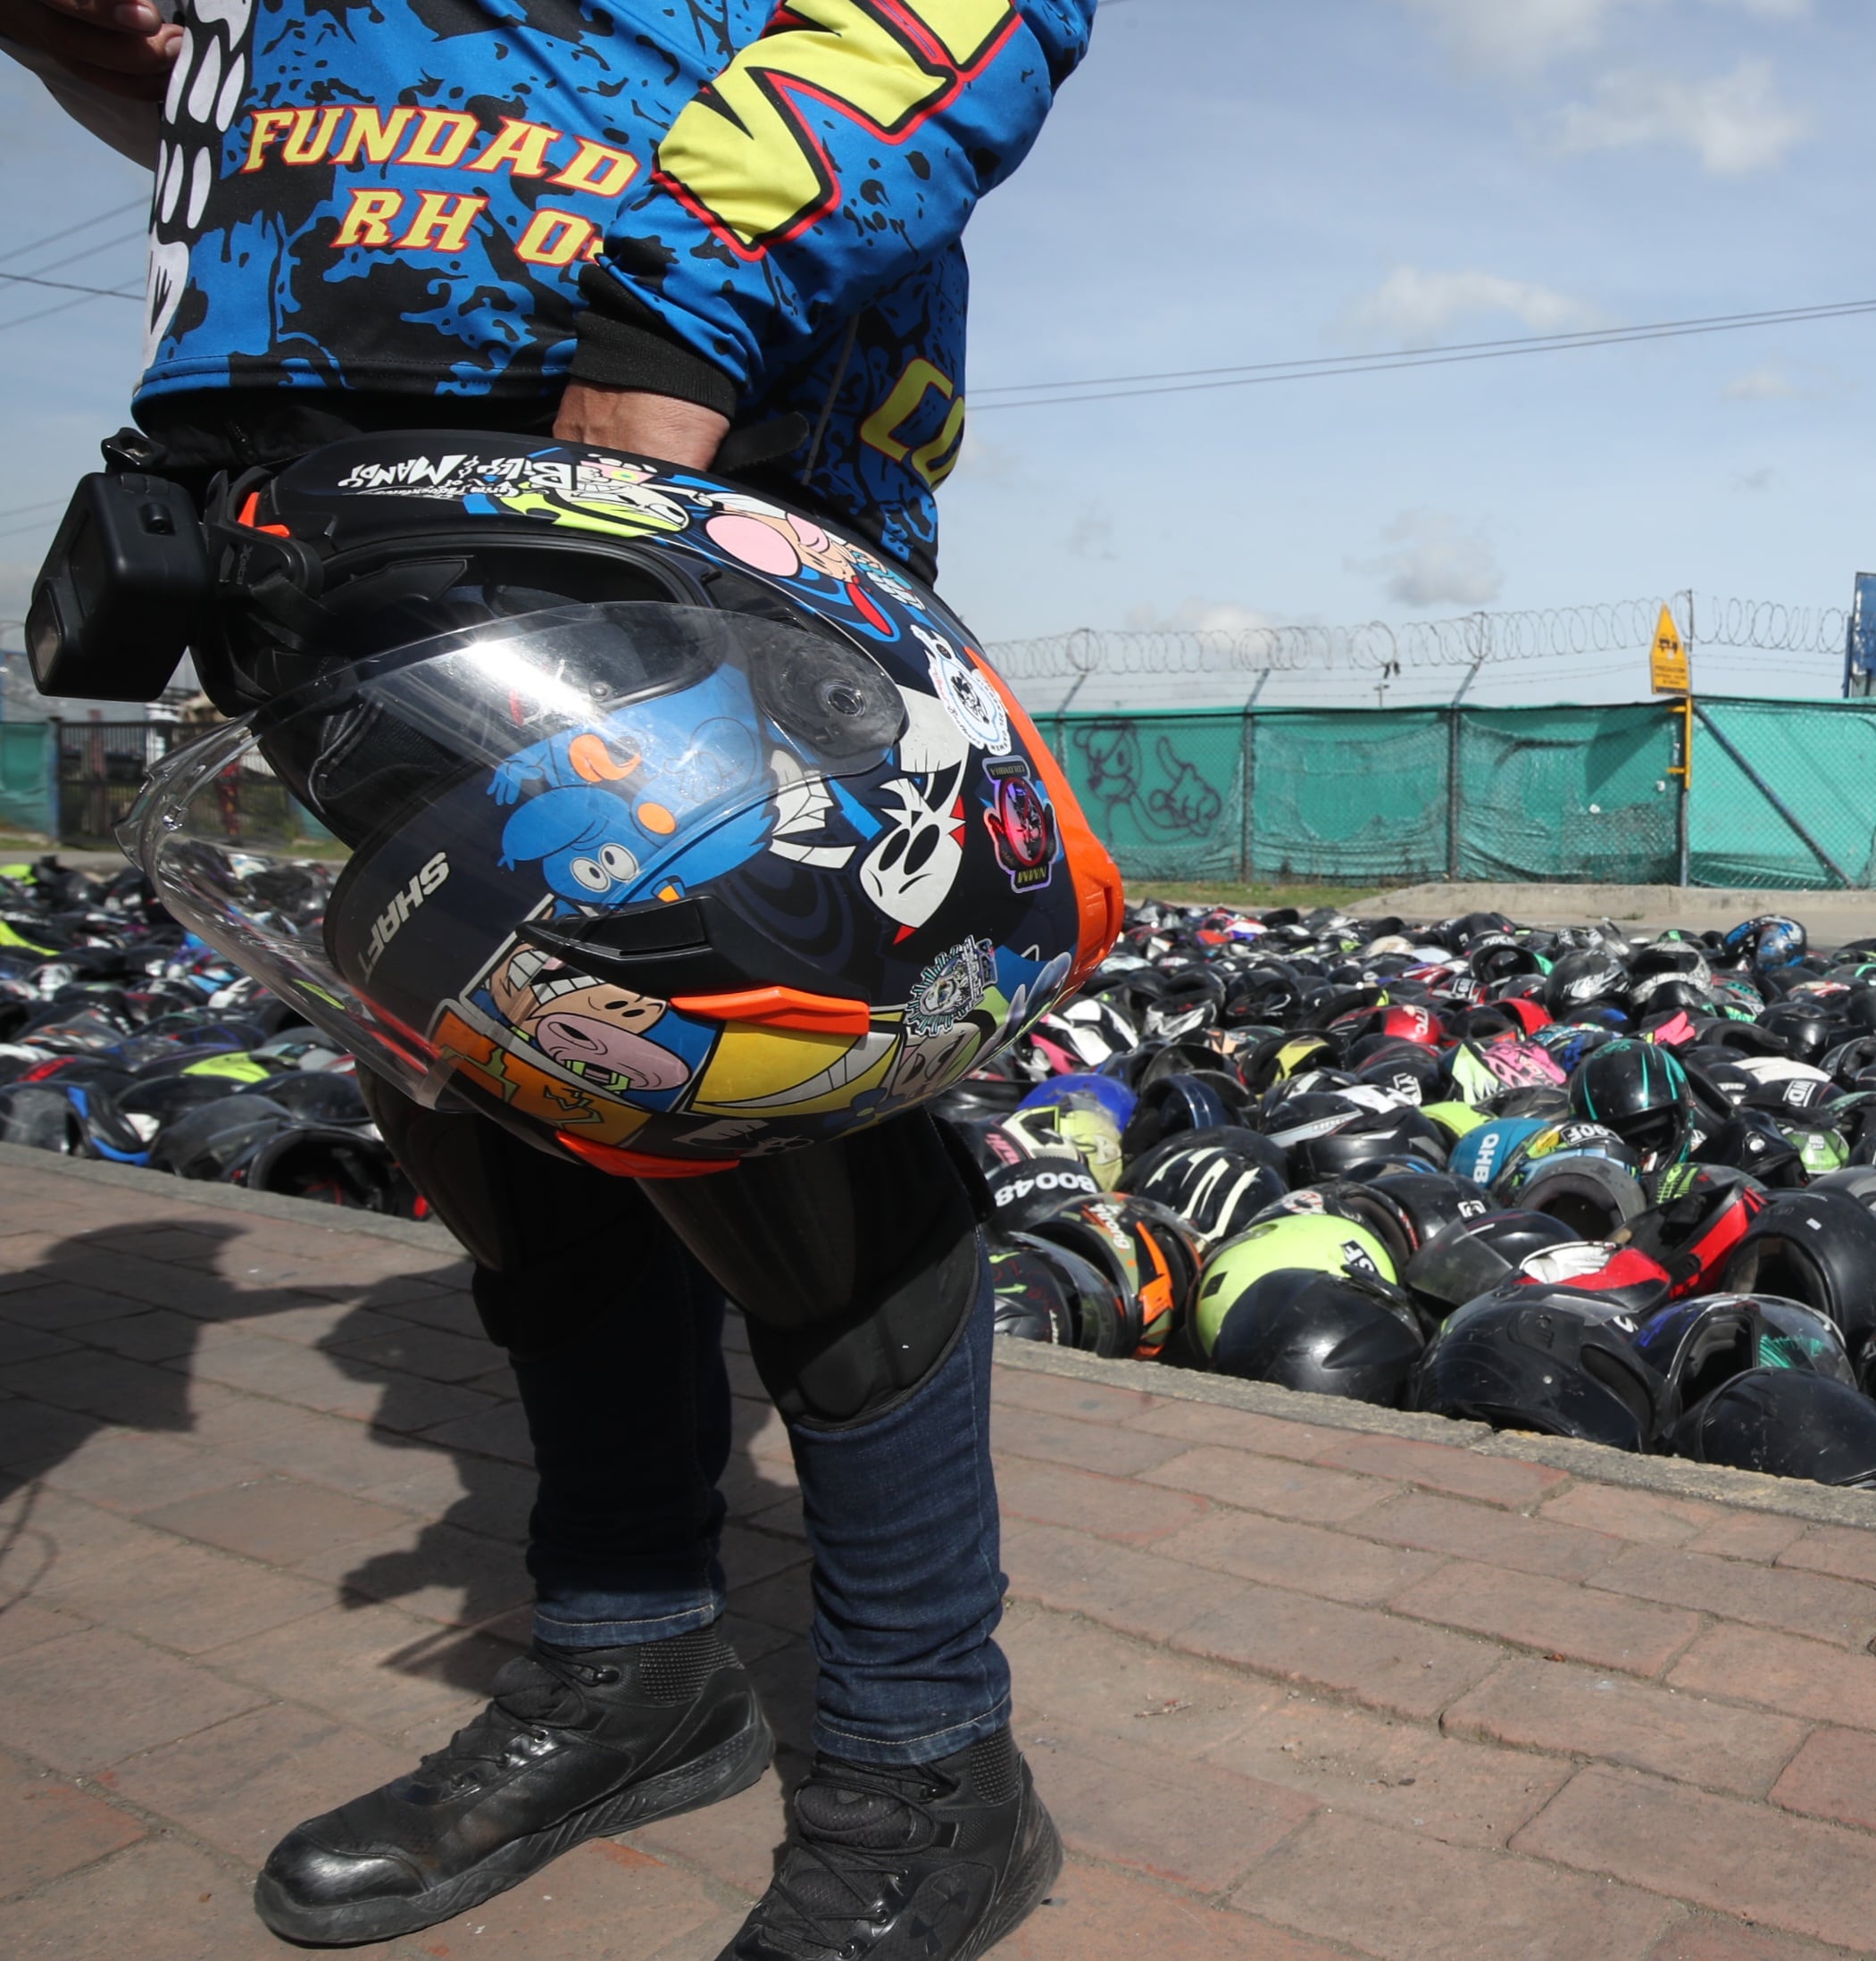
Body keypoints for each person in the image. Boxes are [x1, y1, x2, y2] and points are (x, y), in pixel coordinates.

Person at [5, 1, 1107, 1957]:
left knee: (773, 1094)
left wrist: (673, 327)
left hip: (647, 393)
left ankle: (929, 1765)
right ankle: (628, 1667)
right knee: (491, 1091)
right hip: (291, 421)